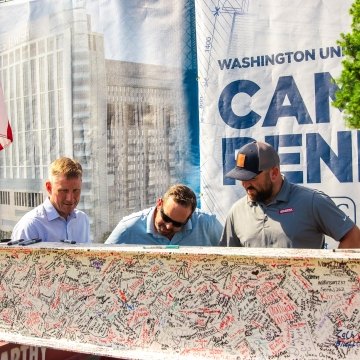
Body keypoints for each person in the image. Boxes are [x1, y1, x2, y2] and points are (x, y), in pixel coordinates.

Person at [220, 140, 360, 249]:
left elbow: (354, 238)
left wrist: (329, 280)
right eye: (242, 179)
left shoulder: (312, 202)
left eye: (252, 178)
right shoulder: (236, 212)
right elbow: (226, 263)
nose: (245, 184)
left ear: (274, 173)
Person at [105, 184, 222, 246]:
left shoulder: (207, 224)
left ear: (190, 217)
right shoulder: (129, 227)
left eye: (177, 224)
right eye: (166, 218)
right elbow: (100, 262)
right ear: (159, 204)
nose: (169, 226)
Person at [11, 157, 90, 243]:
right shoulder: (30, 226)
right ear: (49, 187)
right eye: (63, 191)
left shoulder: (82, 220)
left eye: (76, 191)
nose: (70, 199)